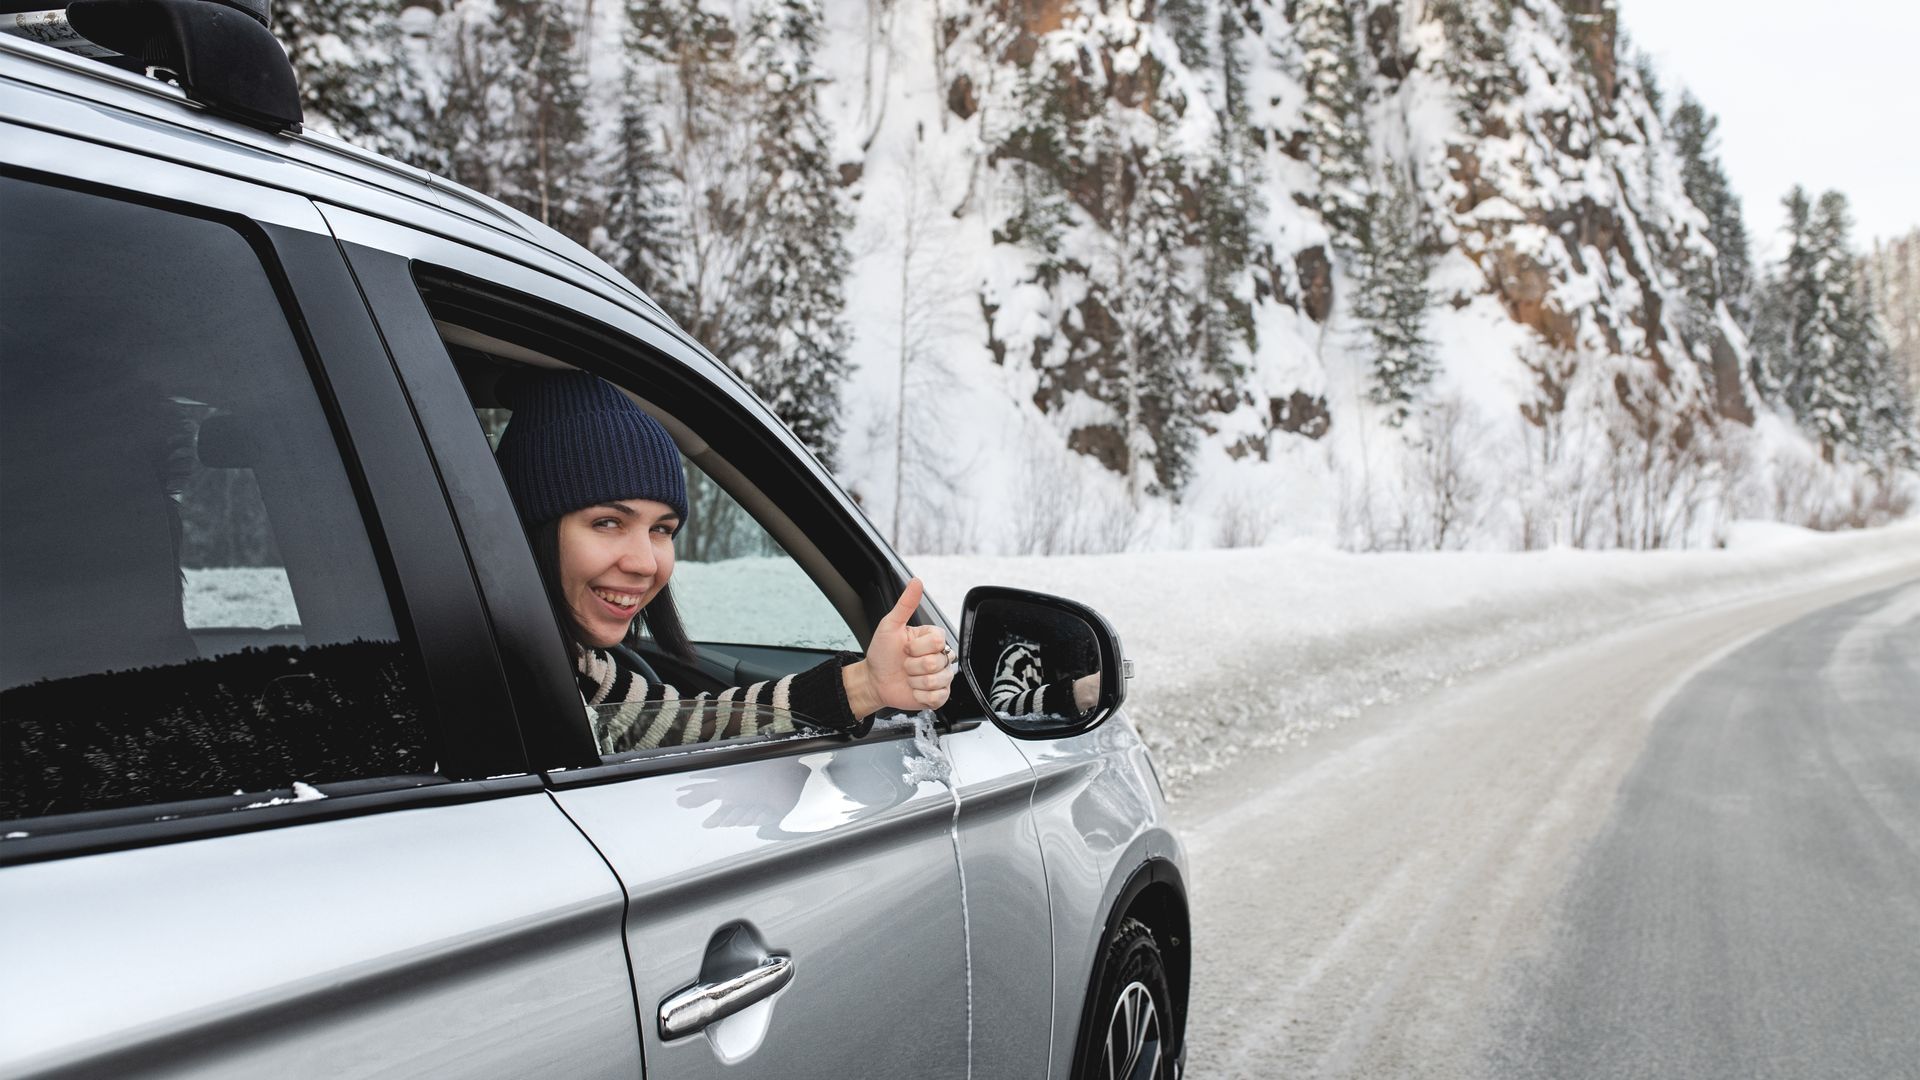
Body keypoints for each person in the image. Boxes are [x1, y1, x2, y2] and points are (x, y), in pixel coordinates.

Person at [494, 370, 953, 753]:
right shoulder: (476, 678)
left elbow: (681, 729)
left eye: (661, 529)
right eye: (608, 522)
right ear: (528, 528)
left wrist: (866, 687)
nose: (645, 564)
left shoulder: (578, 667)